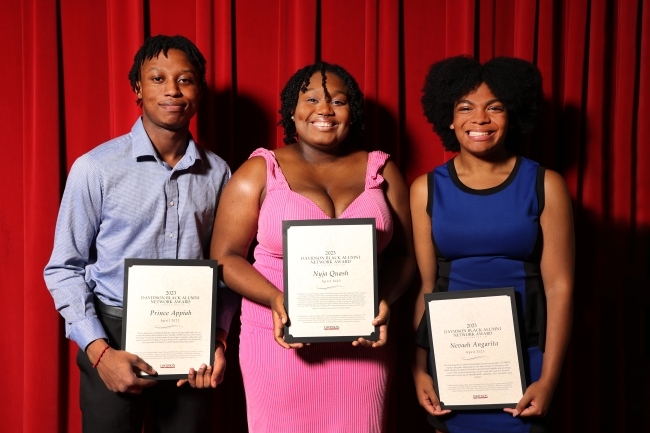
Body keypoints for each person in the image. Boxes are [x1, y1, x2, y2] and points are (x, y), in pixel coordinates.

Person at [44, 35, 237, 433]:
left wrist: (218, 338)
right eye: (157, 78)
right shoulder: (95, 168)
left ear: (199, 90)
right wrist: (99, 354)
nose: (172, 90)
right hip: (111, 334)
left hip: (190, 336)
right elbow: (63, 269)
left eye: (185, 79)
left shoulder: (220, 174)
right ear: (137, 88)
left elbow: (228, 266)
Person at [211, 61, 415, 432]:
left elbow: (404, 256)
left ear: (352, 112)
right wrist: (276, 298)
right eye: (312, 99)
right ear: (292, 110)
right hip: (279, 340)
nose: (324, 109)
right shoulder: (261, 170)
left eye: (338, 100)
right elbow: (224, 258)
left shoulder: (381, 170)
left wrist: (383, 298)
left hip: (362, 340)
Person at [411, 56, 574, 433]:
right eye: (465, 108)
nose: (479, 119)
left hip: (529, 357)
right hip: (451, 361)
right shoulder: (426, 188)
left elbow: (560, 287)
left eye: (494, 107)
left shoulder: (545, 184)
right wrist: (417, 369)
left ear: (512, 115)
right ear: (448, 118)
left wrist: (548, 380)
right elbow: (426, 286)